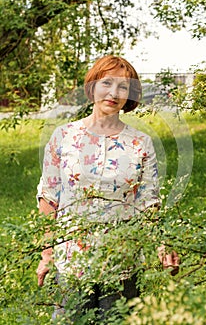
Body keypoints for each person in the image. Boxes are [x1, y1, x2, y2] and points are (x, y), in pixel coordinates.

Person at [36, 55, 179, 319]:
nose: (113, 93)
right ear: (92, 86)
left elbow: (149, 201)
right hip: (72, 263)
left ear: (130, 95)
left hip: (122, 262)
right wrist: (47, 254)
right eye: (107, 83)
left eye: (123, 87)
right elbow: (49, 197)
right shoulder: (63, 137)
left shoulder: (141, 143)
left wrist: (161, 244)